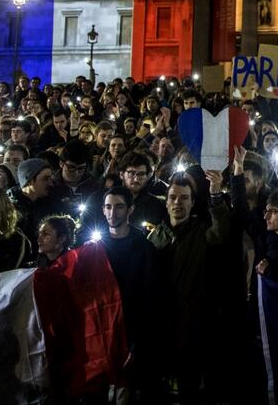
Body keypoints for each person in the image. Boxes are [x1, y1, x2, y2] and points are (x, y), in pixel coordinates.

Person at [146, 168, 229, 404]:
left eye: (184, 198)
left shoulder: (202, 232)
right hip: (162, 325)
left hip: (193, 323)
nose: (177, 203)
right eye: (173, 198)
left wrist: (215, 196)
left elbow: (221, 231)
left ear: (193, 203)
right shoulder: (155, 237)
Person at [98, 186, 163, 403]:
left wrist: (136, 344)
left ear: (130, 209)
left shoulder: (144, 248)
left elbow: (150, 298)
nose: (112, 213)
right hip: (102, 335)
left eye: (118, 207)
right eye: (108, 207)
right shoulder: (95, 248)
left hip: (132, 334)